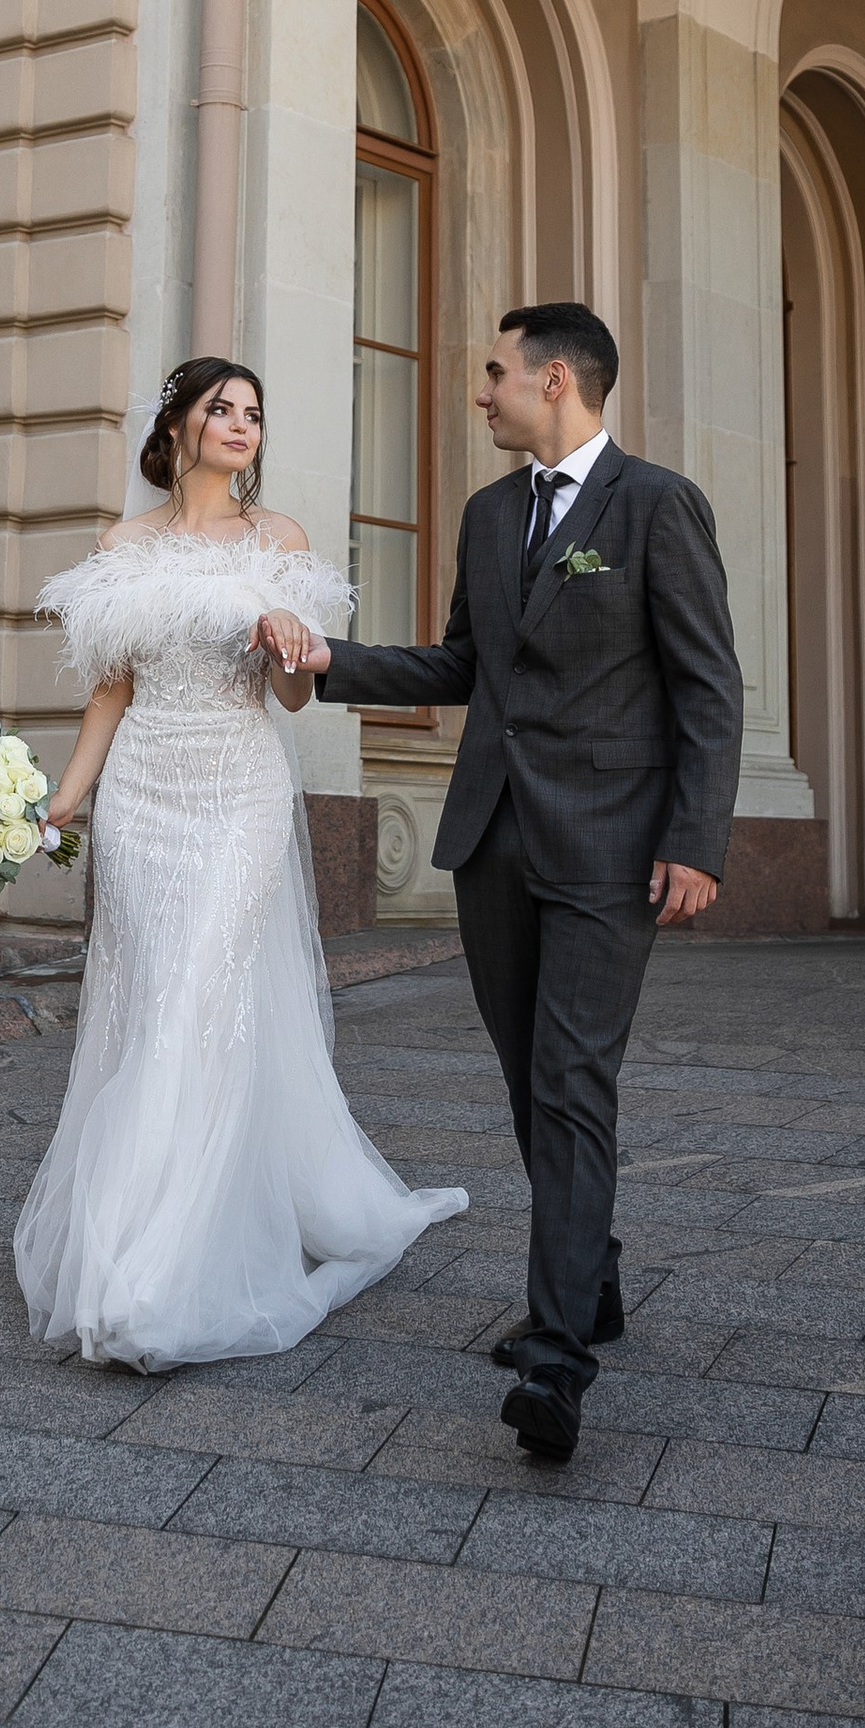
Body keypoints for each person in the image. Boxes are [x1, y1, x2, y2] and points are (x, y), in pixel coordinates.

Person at [257, 303, 742, 1464]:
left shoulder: (657, 505)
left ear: (556, 380)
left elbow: (707, 688)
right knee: (533, 1082)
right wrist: (331, 662)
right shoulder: (489, 515)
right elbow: (464, 663)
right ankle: (596, 1282)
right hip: (494, 842)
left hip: (613, 848)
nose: (479, 394)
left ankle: (557, 1359)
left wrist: (698, 840)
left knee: (574, 1082)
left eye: (494, 375)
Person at [18, 356, 467, 1371]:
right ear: (176, 426)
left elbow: (298, 697)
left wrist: (289, 645)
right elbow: (107, 693)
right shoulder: (120, 544)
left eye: (254, 414)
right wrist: (60, 804)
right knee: (151, 1001)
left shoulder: (282, 541)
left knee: (197, 998)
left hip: (238, 792)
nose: (240, 425)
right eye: (221, 409)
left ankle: (162, 1270)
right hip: (142, 796)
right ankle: (131, 1244)